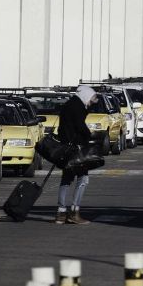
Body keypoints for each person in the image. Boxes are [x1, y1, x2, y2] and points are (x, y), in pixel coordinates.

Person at [56, 85, 97, 225]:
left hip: (65, 148)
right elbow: (80, 126)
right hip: (76, 149)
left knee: (66, 178)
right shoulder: (78, 107)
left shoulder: (69, 105)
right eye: (91, 100)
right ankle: (75, 211)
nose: (91, 104)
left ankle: (61, 212)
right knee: (83, 178)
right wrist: (89, 135)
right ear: (85, 96)